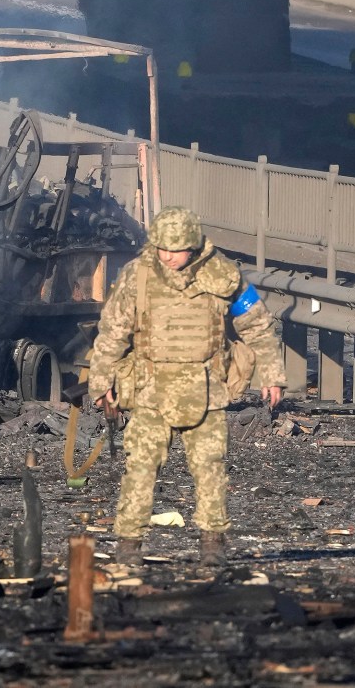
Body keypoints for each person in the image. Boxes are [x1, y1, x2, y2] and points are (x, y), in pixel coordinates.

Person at [88, 206, 286, 568]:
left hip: (206, 389)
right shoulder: (138, 276)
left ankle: (213, 544)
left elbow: (257, 325)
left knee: (210, 467)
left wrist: (272, 374)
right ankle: (129, 546)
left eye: (176, 250)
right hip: (150, 389)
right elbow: (113, 332)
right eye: (162, 248)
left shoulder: (224, 275)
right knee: (141, 467)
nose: (168, 256)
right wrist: (101, 381)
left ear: (193, 247)